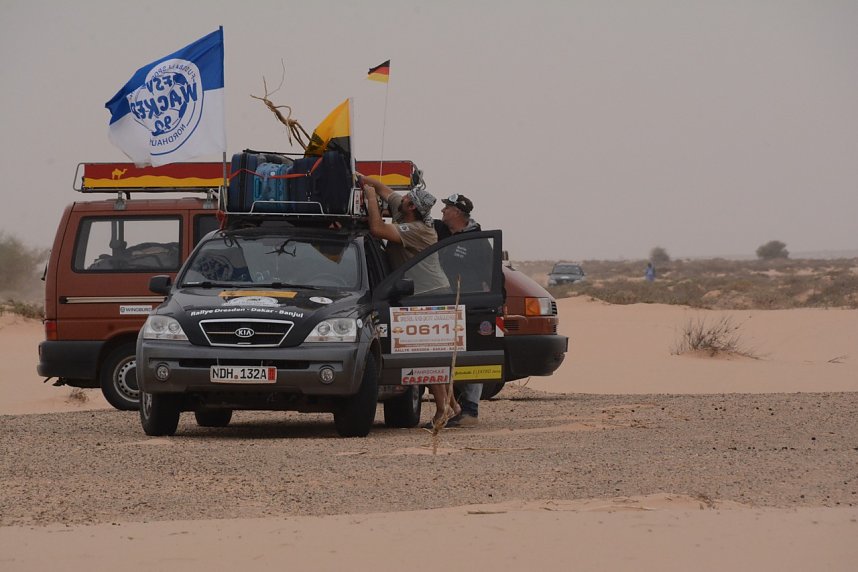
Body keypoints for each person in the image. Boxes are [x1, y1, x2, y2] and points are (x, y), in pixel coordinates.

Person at [359, 175, 459, 428]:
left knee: (429, 355)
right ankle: (452, 405)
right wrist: (359, 178)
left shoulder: (420, 230)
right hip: (418, 293)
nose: (400, 198)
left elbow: (378, 229)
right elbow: (382, 187)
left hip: (430, 294)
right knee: (434, 354)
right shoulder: (403, 209)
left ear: (412, 207)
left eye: (406, 198)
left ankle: (442, 410)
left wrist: (370, 198)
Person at [433, 193, 492, 427]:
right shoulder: (442, 231)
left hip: (471, 306)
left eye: (446, 208)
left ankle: (470, 410)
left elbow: (490, 276)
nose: (443, 212)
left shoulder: (478, 242)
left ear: (457, 212)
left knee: (472, 356)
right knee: (447, 357)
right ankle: (456, 407)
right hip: (445, 304)